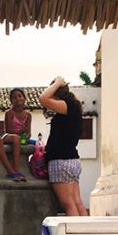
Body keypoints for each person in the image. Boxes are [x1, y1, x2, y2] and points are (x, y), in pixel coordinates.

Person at [39, 76, 88, 216]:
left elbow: (43, 98)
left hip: (61, 162)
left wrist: (57, 83)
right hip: (72, 160)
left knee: (68, 204)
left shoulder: (66, 105)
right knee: (77, 202)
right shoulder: (74, 106)